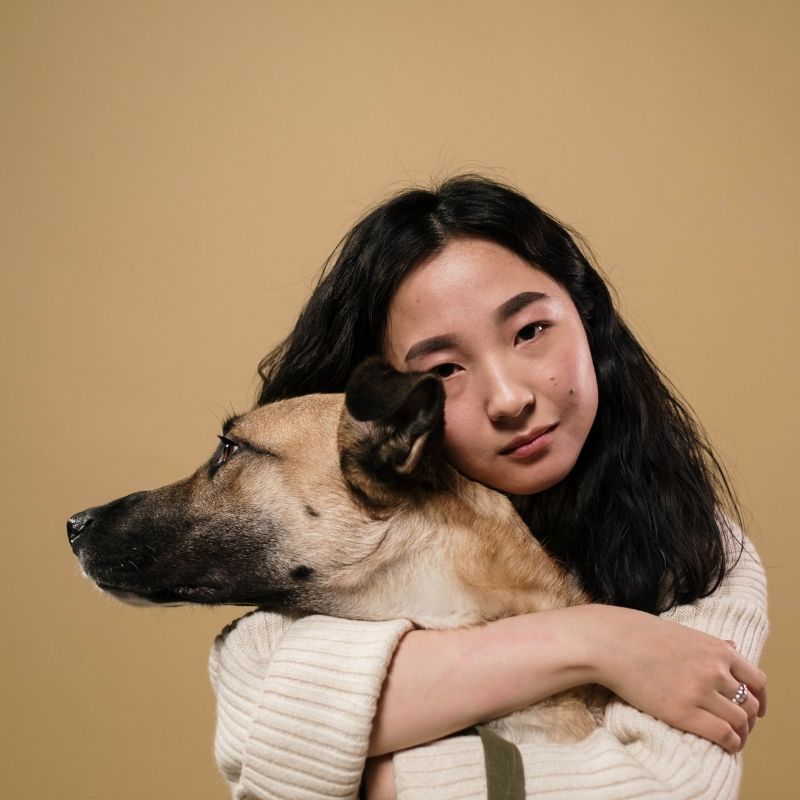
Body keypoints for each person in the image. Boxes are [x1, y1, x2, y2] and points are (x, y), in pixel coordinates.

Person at [208, 176, 768, 799]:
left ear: (585, 317)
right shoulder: (338, 542)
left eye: (529, 331)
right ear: (391, 411)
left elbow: (670, 788)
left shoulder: (696, 547)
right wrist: (600, 640)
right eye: (443, 369)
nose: (509, 398)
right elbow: (262, 723)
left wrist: (385, 784)